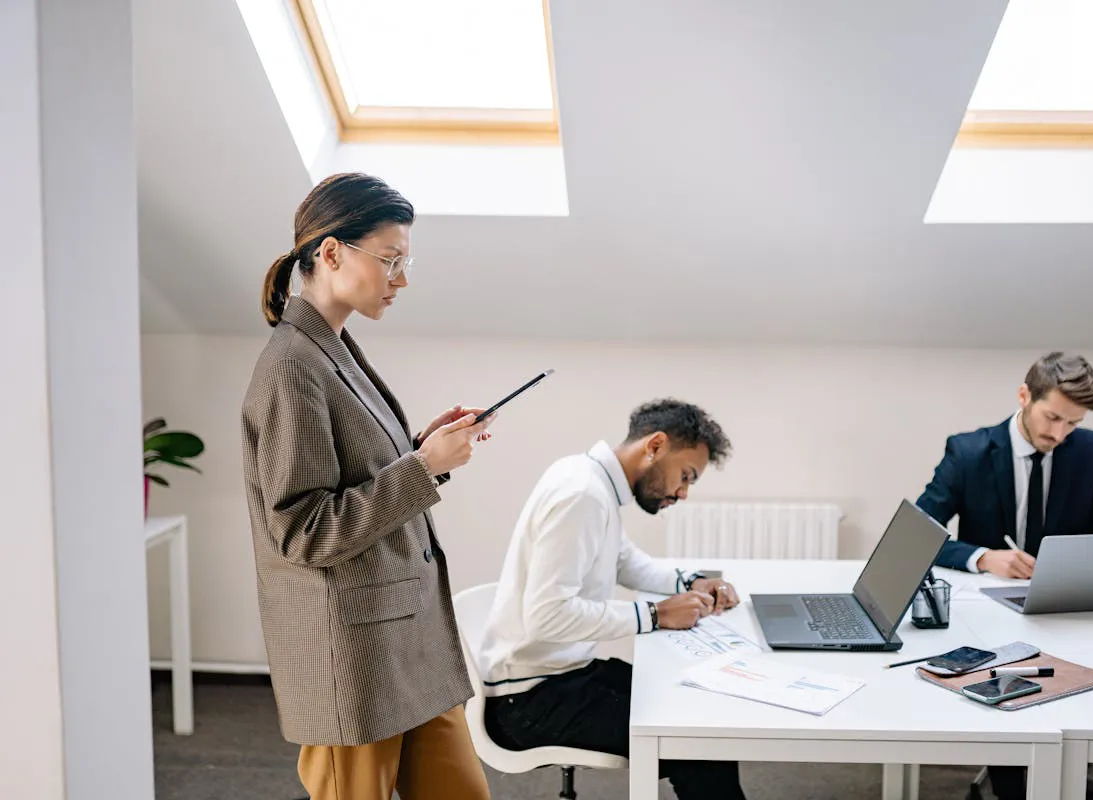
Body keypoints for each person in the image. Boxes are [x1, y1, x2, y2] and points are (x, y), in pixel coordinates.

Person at [241, 173, 492, 800]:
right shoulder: (291, 367)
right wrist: (422, 467)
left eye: (405, 261)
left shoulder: (334, 348)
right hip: (352, 661)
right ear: (331, 252)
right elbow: (301, 531)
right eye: (390, 260)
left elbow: (355, 478)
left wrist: (420, 451)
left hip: (408, 645)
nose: (401, 278)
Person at [478, 399, 749, 800]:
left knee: (701, 717)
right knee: (697, 742)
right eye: (686, 476)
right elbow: (547, 616)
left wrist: (690, 581)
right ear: (655, 446)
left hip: (560, 674)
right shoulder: (582, 494)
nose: (684, 493)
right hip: (529, 699)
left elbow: (628, 563)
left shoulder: (592, 481)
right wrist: (655, 615)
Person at [915, 351, 1093, 800]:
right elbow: (920, 532)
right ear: (1024, 396)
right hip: (990, 616)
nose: (1059, 434)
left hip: (1064, 608)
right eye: (1053, 417)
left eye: (1071, 424)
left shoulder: (1089, 449)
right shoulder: (969, 450)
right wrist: (982, 557)